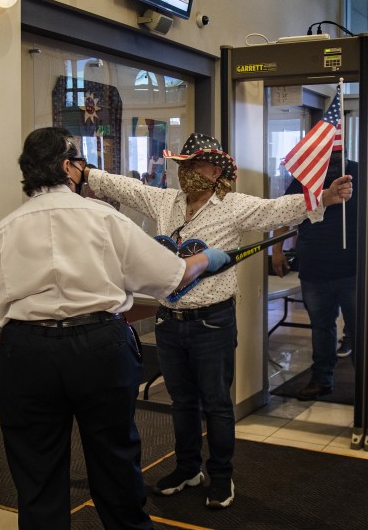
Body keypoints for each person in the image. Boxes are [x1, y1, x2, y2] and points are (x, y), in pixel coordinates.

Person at [0, 127, 230, 530]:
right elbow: (171, 276)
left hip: (26, 352)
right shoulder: (103, 217)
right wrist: (207, 259)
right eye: (81, 163)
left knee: (37, 471)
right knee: (115, 461)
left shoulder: (4, 229)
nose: (84, 171)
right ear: (68, 166)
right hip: (99, 348)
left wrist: (23, 354)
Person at [83, 133, 353, 509]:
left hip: (213, 323)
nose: (187, 171)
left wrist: (324, 196)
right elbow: (126, 188)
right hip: (170, 321)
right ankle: (188, 468)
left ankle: (221, 477)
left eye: (194, 164)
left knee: (216, 405)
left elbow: (279, 209)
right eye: (183, 164)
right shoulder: (165, 201)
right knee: (182, 403)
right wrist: (86, 173)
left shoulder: (234, 206)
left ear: (216, 171)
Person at [271, 150, 358, 400]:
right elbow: (286, 212)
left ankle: (367, 384)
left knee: (359, 329)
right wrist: (277, 250)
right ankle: (322, 379)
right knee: (321, 328)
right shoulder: (305, 176)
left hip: (352, 267)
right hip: (313, 267)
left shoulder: (359, 173)